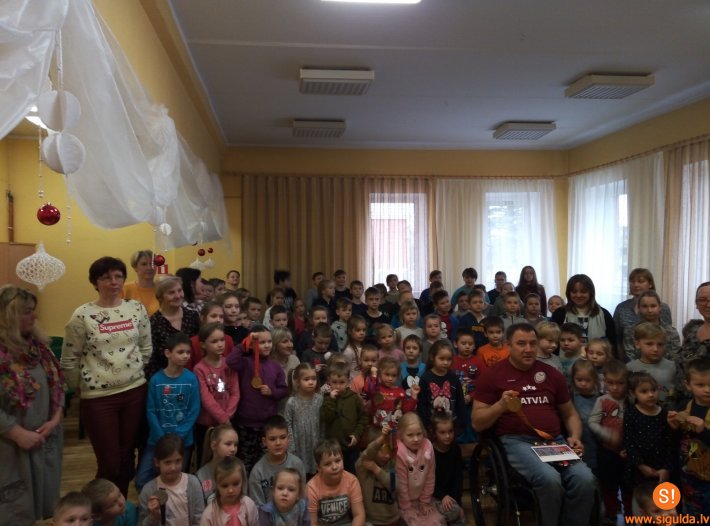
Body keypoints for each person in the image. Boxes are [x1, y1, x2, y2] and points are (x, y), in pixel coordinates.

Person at [472, 323, 596, 526]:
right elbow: (477, 423)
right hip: (518, 442)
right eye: (521, 344)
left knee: (584, 479)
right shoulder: (492, 375)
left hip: (553, 442)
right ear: (508, 345)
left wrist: (575, 436)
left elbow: (570, 414)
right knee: (549, 479)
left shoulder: (551, 374)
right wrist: (500, 405)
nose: (528, 349)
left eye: (532, 343)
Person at [62, 257, 152, 497]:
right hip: (99, 398)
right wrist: (80, 387)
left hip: (134, 392)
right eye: (106, 277)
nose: (114, 282)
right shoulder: (82, 315)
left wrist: (133, 371)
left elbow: (146, 347)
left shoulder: (136, 309)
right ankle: (99, 510)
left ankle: (118, 509)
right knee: (109, 463)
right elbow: (69, 359)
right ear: (95, 282)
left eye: (118, 276)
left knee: (127, 458)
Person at [0, 286, 64, 524]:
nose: (34, 316)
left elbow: (58, 385)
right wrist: (17, 433)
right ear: (8, 315)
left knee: (42, 503)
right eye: (27, 312)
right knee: (15, 509)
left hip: (44, 438)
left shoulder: (38, 348)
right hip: (11, 445)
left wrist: (56, 419)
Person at [136, 332, 201, 491]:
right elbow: (151, 410)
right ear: (168, 353)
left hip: (183, 441)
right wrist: (162, 436)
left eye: (188, 352)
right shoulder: (156, 380)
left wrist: (179, 435)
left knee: (177, 481)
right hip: (157, 441)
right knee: (142, 480)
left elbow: (194, 410)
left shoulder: (191, 379)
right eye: (180, 352)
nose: (185, 356)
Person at [227, 326, 289, 473]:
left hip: (267, 424)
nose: (267, 345)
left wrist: (272, 392)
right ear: (252, 344)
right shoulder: (245, 362)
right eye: (261, 342)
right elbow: (230, 361)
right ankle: (247, 485)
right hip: (245, 424)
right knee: (246, 460)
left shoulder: (275, 367)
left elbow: (284, 389)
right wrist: (244, 344)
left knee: (267, 460)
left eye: (269, 341)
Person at [588, 360, 631, 522]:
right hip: (606, 450)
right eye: (610, 383)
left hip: (628, 451)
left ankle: (630, 514)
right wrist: (606, 434)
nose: (615, 387)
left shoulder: (631, 400)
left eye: (620, 383)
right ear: (604, 381)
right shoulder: (602, 400)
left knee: (628, 485)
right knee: (608, 484)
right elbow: (592, 422)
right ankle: (611, 514)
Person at [667, 357, 710, 517]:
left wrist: (703, 431)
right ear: (688, 385)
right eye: (700, 385)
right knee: (692, 511)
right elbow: (679, 439)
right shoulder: (685, 406)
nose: (707, 390)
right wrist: (674, 427)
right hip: (688, 473)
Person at [193, 323, 240, 465]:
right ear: (203, 344)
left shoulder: (229, 364)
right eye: (214, 341)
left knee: (228, 462)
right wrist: (223, 419)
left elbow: (235, 393)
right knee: (206, 461)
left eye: (222, 340)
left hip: (228, 422)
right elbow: (206, 399)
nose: (220, 344)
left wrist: (227, 417)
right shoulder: (199, 369)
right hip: (207, 426)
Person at [138, 434, 204, 525]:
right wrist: (152, 517)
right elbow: (141, 523)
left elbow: (200, 518)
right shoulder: (148, 490)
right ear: (157, 462)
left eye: (178, 461)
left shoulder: (193, 483)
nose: (173, 468)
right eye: (167, 462)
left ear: (183, 460)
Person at [395, 412, 446, 526]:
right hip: (404, 502)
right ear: (401, 435)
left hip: (422, 498)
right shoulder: (399, 453)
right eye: (410, 435)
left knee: (433, 521)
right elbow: (401, 484)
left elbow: (430, 477)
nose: (416, 439)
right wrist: (407, 506)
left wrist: (425, 501)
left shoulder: (428, 447)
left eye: (419, 434)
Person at [623, 372, 673, 489]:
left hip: (661, 467)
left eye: (653, 390)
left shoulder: (665, 413)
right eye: (644, 391)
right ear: (633, 393)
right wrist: (641, 466)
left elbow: (670, 442)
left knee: (663, 498)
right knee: (641, 497)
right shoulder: (630, 414)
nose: (651, 395)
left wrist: (666, 468)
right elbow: (628, 442)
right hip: (638, 468)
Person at [146, 276, 200, 379]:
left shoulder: (193, 316)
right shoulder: (153, 322)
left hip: (193, 376)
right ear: (160, 297)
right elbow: (151, 360)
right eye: (171, 293)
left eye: (180, 290)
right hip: (165, 379)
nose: (178, 296)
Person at [321, 362, 369, 473]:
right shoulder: (327, 399)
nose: (338, 386)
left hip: (350, 446)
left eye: (342, 382)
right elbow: (326, 418)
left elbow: (363, 418)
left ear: (348, 381)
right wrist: (331, 400)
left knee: (351, 473)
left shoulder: (354, 398)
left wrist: (356, 434)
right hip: (333, 448)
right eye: (334, 382)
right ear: (329, 381)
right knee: (334, 472)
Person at [551, 274, 616, 355]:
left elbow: (612, 343)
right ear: (568, 293)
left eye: (583, 291)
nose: (578, 295)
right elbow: (552, 340)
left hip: (597, 361)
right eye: (574, 292)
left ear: (590, 293)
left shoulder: (604, 315)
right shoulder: (559, 313)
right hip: (565, 360)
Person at [248, 415, 306, 506]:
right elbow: (258, 507)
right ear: (264, 442)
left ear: (288, 438)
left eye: (282, 437)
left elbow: (302, 499)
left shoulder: (297, 464)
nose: (278, 443)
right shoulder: (257, 472)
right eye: (272, 439)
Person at [613, 268, 673, 356]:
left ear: (650, 284)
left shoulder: (663, 308)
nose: (635, 285)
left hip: (658, 355)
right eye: (632, 282)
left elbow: (667, 335)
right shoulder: (621, 308)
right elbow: (617, 337)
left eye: (640, 281)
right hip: (629, 356)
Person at [307, 439, 366, 526]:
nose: (334, 467)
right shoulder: (311, 488)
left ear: (343, 459)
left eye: (338, 461)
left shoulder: (352, 481)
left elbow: (359, 515)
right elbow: (312, 523)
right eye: (327, 464)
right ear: (318, 467)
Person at [355, 423, 400, 526]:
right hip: (372, 521)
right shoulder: (362, 465)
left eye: (389, 449)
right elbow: (367, 454)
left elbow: (394, 486)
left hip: (393, 519)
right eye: (382, 450)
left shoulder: (391, 464)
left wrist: (376, 469)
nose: (387, 455)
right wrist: (381, 439)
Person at [417, 340, 466, 434]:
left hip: (451, 427)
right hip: (432, 428)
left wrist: (460, 424)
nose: (446, 362)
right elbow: (422, 405)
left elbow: (460, 403)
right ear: (432, 357)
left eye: (449, 359)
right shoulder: (425, 378)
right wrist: (426, 425)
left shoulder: (454, 378)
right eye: (442, 359)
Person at [285, 363, 323, 477]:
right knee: (299, 475)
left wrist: (322, 442)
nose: (311, 382)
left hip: (316, 443)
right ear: (297, 381)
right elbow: (287, 424)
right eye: (306, 379)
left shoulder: (320, 399)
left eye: (313, 379)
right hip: (299, 446)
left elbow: (324, 423)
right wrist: (291, 447)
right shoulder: (292, 402)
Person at [626, 322, 677, 407]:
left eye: (660, 344)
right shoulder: (630, 368)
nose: (655, 349)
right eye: (649, 344)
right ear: (637, 344)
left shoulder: (673, 367)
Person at [675, 281, 710, 397]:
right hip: (685, 399)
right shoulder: (692, 332)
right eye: (703, 300)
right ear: (696, 304)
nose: (708, 304)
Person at [430, 414, 465, 526]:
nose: (448, 436)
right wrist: (442, 496)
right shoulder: (429, 452)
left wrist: (458, 503)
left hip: (450, 496)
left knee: (457, 513)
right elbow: (428, 481)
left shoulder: (455, 450)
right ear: (434, 433)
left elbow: (458, 478)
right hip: (434, 495)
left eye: (450, 431)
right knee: (452, 512)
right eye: (442, 432)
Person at [201, 457, 259, 526]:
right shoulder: (209, 514)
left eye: (235, 484)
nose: (230, 490)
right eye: (225, 486)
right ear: (217, 485)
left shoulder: (249, 505)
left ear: (242, 482)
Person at [196, 423, 239, 503]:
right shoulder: (201, 475)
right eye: (228, 444)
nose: (233, 449)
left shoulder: (239, 470)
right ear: (214, 445)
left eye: (235, 445)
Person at [570, 360, 599, 474]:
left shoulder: (600, 399)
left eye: (587, 380)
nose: (583, 384)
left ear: (594, 380)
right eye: (579, 380)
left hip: (597, 446)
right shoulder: (570, 397)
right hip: (579, 444)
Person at [121, 249, 159, 316]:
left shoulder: (162, 289)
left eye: (153, 264)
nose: (149, 268)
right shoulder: (124, 289)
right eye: (144, 264)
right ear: (135, 267)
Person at [343, 315, 367, 380]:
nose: (362, 333)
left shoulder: (364, 347)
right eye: (358, 330)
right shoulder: (348, 351)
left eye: (364, 330)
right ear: (349, 331)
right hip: (352, 383)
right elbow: (345, 371)